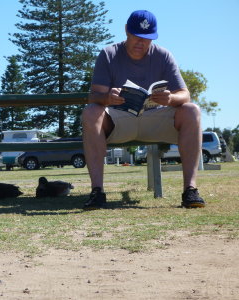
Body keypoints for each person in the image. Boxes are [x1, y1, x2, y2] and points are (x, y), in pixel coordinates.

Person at [81, 10, 205, 210]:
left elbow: (185, 94)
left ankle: (190, 190)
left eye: (146, 39)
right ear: (126, 31)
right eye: (136, 37)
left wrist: (171, 98)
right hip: (120, 120)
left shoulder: (163, 55)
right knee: (90, 112)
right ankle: (97, 192)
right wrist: (107, 97)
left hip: (156, 119)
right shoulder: (108, 54)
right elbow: (93, 96)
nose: (141, 43)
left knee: (192, 110)